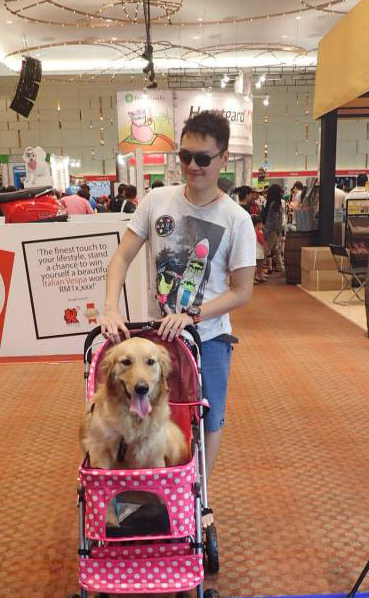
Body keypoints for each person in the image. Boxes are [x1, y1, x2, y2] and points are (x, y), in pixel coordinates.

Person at [98, 109, 255, 475]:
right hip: (158, 337)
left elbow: (242, 291)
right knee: (153, 411)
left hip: (209, 338)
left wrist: (191, 316)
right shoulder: (157, 201)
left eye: (203, 158)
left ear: (223, 158)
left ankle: (197, 492)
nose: (192, 166)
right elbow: (121, 257)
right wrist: (110, 307)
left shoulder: (236, 219)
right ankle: (157, 483)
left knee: (208, 416)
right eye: (185, 156)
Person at [263, 184, 285, 274]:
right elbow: (276, 219)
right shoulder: (276, 204)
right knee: (267, 250)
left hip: (270, 229)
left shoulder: (271, 203)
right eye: (280, 191)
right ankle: (257, 270)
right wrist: (279, 232)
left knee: (276, 249)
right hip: (272, 231)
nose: (282, 193)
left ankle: (280, 267)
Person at [252, 215, 267, 283]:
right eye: (261, 224)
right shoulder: (258, 233)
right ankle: (258, 276)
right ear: (258, 224)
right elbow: (262, 242)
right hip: (259, 252)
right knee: (259, 266)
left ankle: (255, 277)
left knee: (254, 266)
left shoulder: (251, 232)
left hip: (253, 252)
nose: (262, 225)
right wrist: (266, 248)